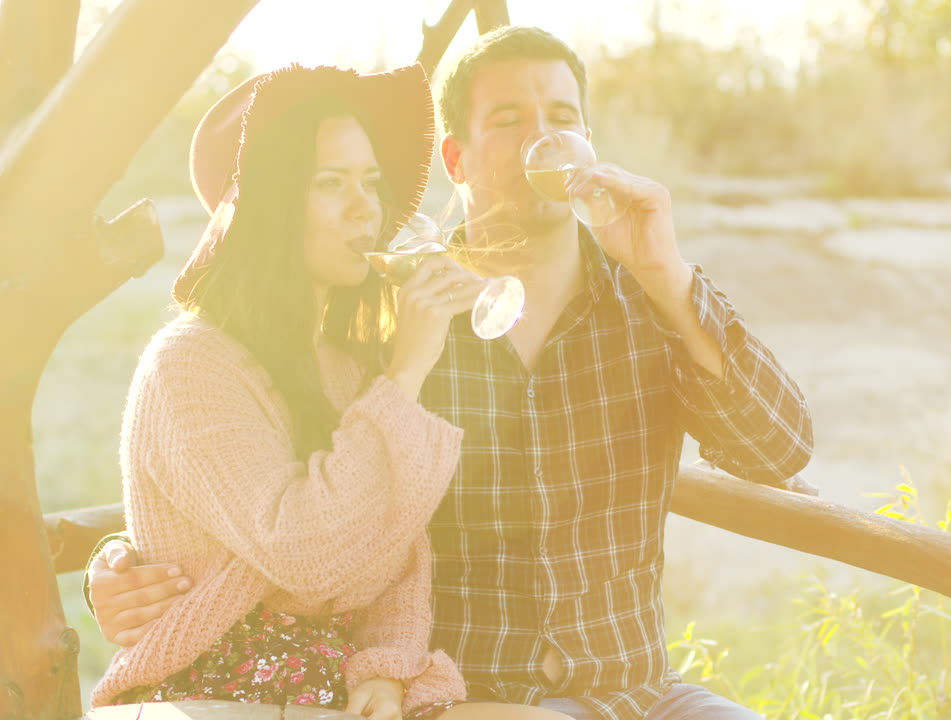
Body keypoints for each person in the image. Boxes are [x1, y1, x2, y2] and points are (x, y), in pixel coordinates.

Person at [89, 26, 814, 720]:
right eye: (509, 119)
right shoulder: (390, 322)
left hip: (638, 692)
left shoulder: (651, 300)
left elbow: (777, 452)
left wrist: (668, 275)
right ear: (457, 160)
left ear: (588, 144)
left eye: (562, 116)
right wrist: (117, 562)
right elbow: (261, 494)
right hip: (462, 691)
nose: (542, 138)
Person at [90, 61, 566, 720]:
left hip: (336, 688)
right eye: (330, 182)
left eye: (371, 182)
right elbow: (307, 553)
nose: (365, 206)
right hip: (215, 686)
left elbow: (400, 555)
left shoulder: (345, 366)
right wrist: (407, 371)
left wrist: (385, 672)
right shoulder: (188, 364)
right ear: (268, 206)